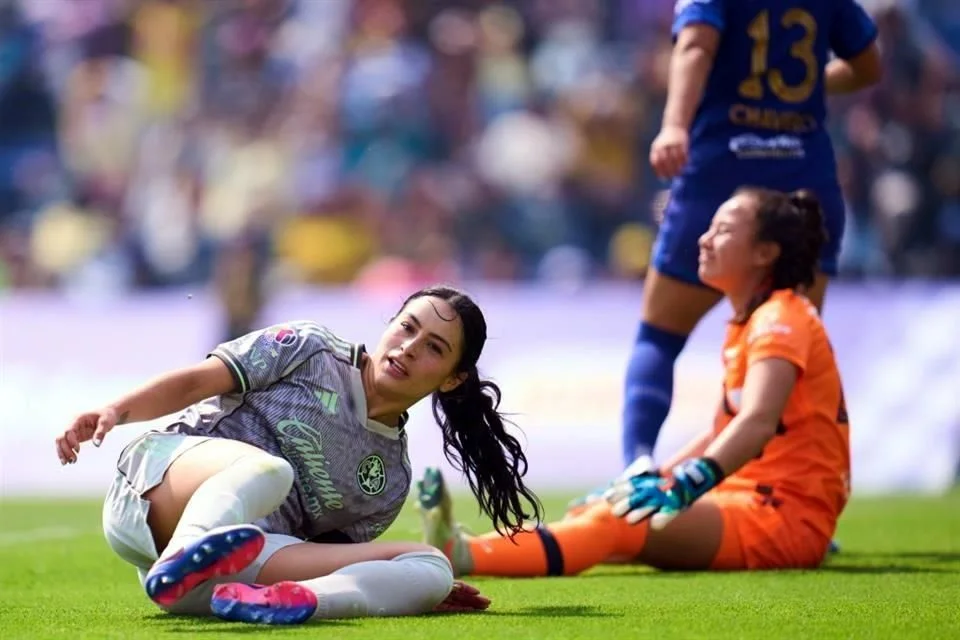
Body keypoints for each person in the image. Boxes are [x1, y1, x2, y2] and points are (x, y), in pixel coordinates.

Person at [420, 188, 852, 575]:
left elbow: (756, 422)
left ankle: (463, 555)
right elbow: (726, 428)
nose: (704, 238)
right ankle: (464, 549)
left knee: (617, 520)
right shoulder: (756, 321)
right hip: (752, 503)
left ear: (764, 253)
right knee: (604, 508)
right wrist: (662, 476)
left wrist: (691, 481)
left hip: (783, 517)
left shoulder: (780, 318)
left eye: (722, 230)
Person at [55, 285, 542, 624]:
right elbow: (197, 381)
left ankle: (297, 603)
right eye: (407, 327)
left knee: (432, 566)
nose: (410, 348)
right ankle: (186, 555)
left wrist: (403, 586)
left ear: (453, 378)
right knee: (269, 471)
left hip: (223, 572)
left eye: (434, 347)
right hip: (155, 484)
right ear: (389, 323)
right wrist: (115, 410)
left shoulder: (390, 479)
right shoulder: (310, 349)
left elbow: (328, 555)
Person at [610, 0, 881, 483]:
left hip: (720, 177)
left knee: (660, 334)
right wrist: (805, 90)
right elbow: (868, 65)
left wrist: (673, 125)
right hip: (803, 180)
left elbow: (694, 46)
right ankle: (790, 492)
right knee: (791, 349)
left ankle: (638, 465)